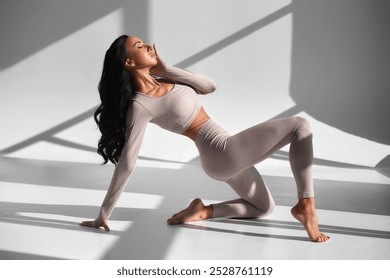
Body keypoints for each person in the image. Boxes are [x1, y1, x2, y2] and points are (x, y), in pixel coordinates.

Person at [81, 35, 330, 243]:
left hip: (225, 152)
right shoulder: (140, 105)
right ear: (129, 62)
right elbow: (127, 163)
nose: (148, 46)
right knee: (300, 126)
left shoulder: (166, 79)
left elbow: (209, 86)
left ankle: (203, 211)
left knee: (264, 208)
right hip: (222, 153)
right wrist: (103, 213)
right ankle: (306, 205)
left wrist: (167, 69)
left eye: (145, 42)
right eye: (139, 46)